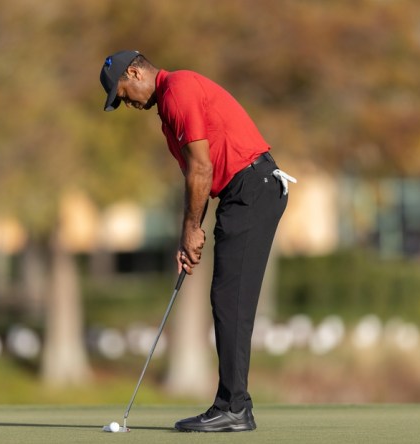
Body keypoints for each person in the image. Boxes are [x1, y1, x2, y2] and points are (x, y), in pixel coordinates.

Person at [100, 50, 296, 432]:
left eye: (122, 92)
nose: (125, 102)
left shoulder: (178, 89)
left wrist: (191, 229)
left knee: (230, 299)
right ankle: (233, 404)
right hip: (244, 193)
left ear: (135, 71)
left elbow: (202, 167)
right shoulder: (169, 108)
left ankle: (235, 407)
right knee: (226, 297)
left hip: (253, 188)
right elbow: (198, 177)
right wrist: (188, 234)